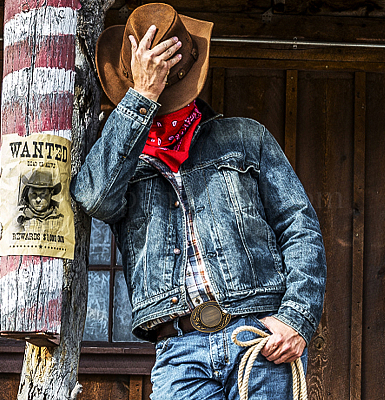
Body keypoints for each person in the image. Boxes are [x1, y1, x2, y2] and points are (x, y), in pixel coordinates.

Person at [70, 3, 326, 399]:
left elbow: (300, 226)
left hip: (257, 338)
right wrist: (142, 95)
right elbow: (95, 198)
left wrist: (296, 318)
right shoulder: (120, 157)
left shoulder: (245, 137)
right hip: (179, 350)